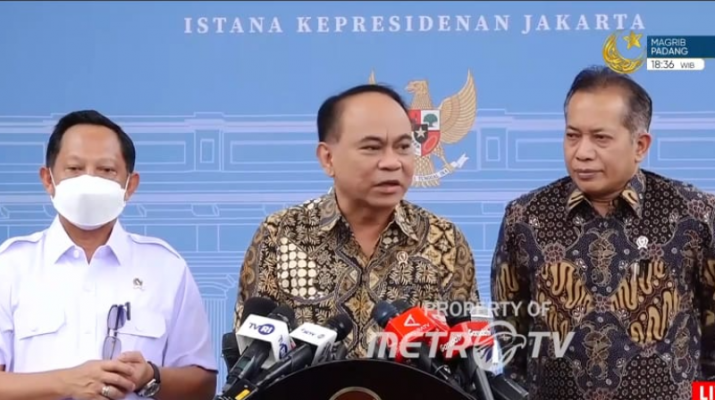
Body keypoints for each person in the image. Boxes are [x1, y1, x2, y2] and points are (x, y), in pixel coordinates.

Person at [490, 65, 715, 399]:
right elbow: (513, 333)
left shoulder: (695, 214)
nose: (582, 152)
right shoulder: (524, 218)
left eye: (600, 138)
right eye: (572, 135)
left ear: (640, 145)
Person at [234, 84, 480, 358]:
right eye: (372, 148)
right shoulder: (280, 234)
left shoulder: (445, 239)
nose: (392, 163)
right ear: (328, 158)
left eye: (403, 147)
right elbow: (251, 358)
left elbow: (471, 361)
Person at [0, 110, 217, 400]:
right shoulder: (10, 266)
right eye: (75, 168)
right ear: (48, 179)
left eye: (106, 170)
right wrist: (67, 383)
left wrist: (151, 376)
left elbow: (202, 386)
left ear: (130, 185)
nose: (89, 181)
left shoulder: (166, 268)